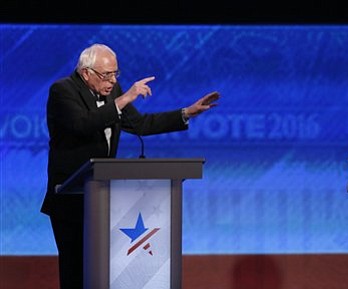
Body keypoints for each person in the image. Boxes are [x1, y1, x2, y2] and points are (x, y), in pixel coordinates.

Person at [40, 43, 220, 289]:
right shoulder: (62, 90)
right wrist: (123, 100)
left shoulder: (113, 93)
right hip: (70, 199)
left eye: (116, 73)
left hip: (102, 200)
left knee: (105, 273)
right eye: (107, 75)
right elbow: (81, 125)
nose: (113, 80)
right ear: (86, 73)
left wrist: (186, 113)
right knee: (76, 273)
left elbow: (141, 124)